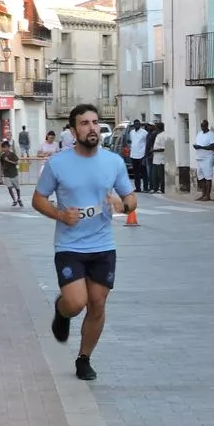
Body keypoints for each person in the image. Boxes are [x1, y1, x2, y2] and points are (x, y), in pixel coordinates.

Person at [33, 105, 136, 382]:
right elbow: (38, 199)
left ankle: (84, 358)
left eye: (94, 122)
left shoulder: (113, 162)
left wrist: (123, 203)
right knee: (76, 302)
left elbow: (131, 198)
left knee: (98, 304)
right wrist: (60, 214)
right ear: (73, 129)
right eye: (84, 123)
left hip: (103, 245)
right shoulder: (57, 163)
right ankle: (62, 310)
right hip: (70, 245)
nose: (91, 128)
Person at [192, 119, 214, 201]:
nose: (202, 127)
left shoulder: (211, 134)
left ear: (207, 125)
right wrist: (196, 146)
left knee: (208, 177)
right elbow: (198, 143)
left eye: (204, 126)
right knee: (200, 177)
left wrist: (201, 147)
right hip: (199, 158)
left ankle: (207, 195)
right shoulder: (199, 134)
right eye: (201, 126)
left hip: (207, 158)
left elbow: (213, 146)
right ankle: (203, 194)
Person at [127, 118, 149, 193]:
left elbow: (146, 144)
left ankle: (146, 187)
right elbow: (132, 142)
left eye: (138, 124)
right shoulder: (131, 132)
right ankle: (138, 188)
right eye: (135, 124)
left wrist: (145, 156)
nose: (136, 125)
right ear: (134, 125)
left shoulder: (144, 133)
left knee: (144, 173)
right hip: (133, 155)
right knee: (136, 173)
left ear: (140, 125)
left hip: (141, 155)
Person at [0, 139, 22, 208]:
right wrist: (1, 175)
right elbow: (2, 165)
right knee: (9, 188)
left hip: (14, 173)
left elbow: (17, 163)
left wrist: (9, 160)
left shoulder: (12, 154)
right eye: (4, 147)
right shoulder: (2, 156)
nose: (5, 149)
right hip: (7, 174)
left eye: (7, 147)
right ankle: (14, 200)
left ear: (9, 147)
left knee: (17, 187)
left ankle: (19, 198)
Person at [150, 120, 169, 194]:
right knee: (154, 175)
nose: (155, 129)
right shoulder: (158, 135)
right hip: (156, 159)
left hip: (161, 159)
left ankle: (162, 189)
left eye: (156, 127)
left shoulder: (164, 135)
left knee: (161, 176)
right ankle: (155, 188)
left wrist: (154, 150)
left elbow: (163, 148)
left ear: (159, 128)